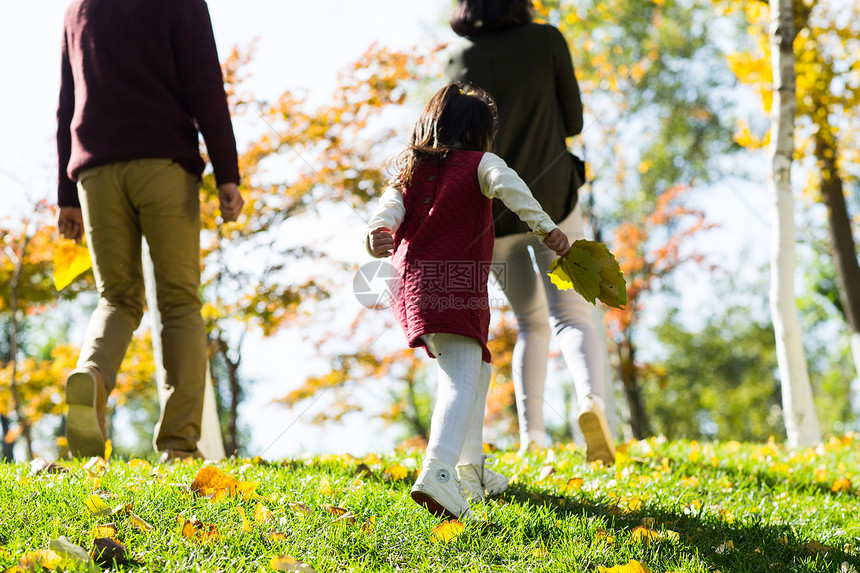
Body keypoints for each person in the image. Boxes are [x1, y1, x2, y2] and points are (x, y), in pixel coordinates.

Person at [365, 83, 570, 521]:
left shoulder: (408, 170)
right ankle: (439, 471)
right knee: (460, 377)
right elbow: (510, 187)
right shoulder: (483, 163)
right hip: (453, 281)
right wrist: (546, 227)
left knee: (475, 368)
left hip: (411, 283)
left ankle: (470, 472)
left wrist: (376, 234)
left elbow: (387, 211)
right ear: (481, 132)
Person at [56, 0, 243, 461]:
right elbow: (205, 86)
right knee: (179, 301)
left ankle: (92, 375)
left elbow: (66, 104)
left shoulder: (78, 8)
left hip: (94, 174)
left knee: (116, 297)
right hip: (162, 162)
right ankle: (179, 445)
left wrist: (64, 195)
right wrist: (227, 173)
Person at [443, 0, 615, 465]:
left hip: (494, 214)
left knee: (531, 324)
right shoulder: (547, 40)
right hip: (554, 199)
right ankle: (589, 404)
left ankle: (532, 437)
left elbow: (454, 147)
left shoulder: (457, 58)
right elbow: (575, 122)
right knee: (573, 315)